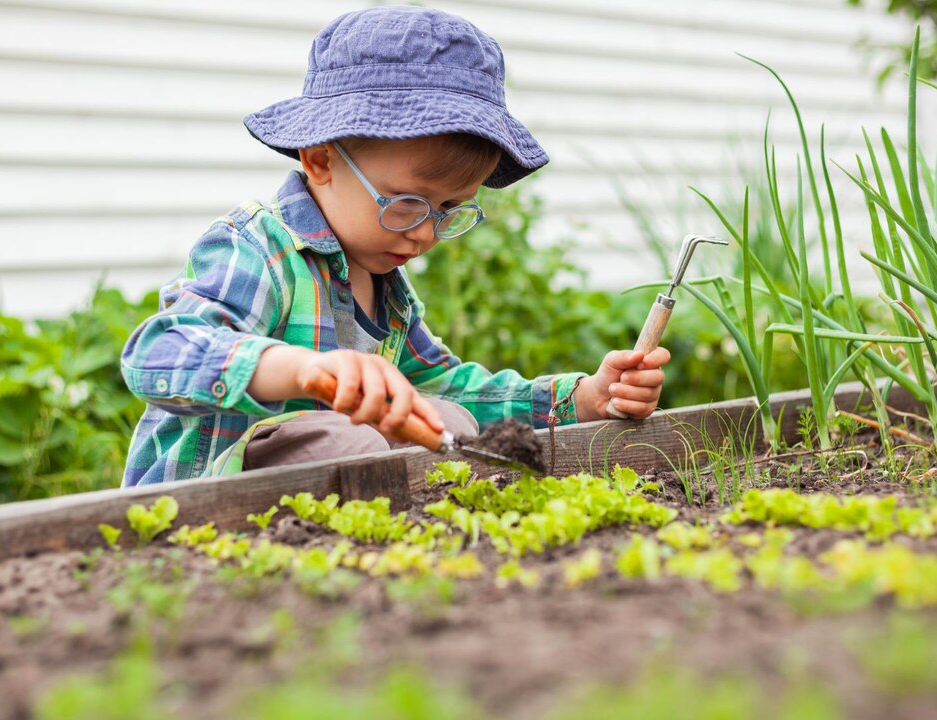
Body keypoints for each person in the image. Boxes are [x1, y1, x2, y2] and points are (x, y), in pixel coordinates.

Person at [119, 5, 671, 486]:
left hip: (330, 489)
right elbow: (156, 353)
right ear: (320, 159)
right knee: (348, 443)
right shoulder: (257, 249)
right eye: (405, 203)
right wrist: (299, 369)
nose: (426, 232)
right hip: (203, 504)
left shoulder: (386, 285)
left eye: (450, 210)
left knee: (449, 422)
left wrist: (579, 399)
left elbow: (444, 385)